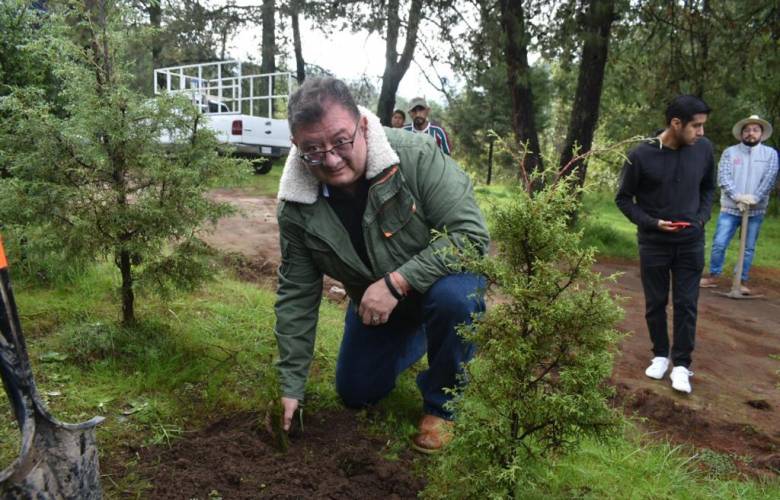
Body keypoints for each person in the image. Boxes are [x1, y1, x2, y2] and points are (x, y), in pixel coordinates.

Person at [273, 77, 489, 453]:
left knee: (456, 300)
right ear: (296, 145)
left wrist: (396, 283)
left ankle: (443, 407)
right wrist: (291, 386)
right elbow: (297, 294)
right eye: (313, 149)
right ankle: (422, 336)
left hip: (437, 284)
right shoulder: (295, 207)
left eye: (342, 141)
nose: (332, 159)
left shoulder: (416, 155)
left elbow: (471, 237)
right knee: (356, 392)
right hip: (375, 307)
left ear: (364, 125)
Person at [615, 95, 716, 394]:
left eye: (702, 126)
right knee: (656, 302)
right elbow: (623, 199)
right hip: (654, 243)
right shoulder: (641, 155)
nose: (701, 133)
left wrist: (700, 219)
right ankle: (660, 355)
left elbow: (709, 187)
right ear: (676, 123)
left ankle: (682, 365)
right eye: (695, 126)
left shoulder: (704, 149)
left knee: (686, 303)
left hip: (691, 242)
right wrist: (651, 222)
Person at [699, 115, 778, 293]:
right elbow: (724, 177)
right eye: (747, 130)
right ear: (741, 133)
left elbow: (769, 179)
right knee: (719, 243)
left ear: (761, 133)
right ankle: (714, 275)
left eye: (755, 130)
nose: (751, 133)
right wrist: (738, 197)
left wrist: (754, 198)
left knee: (748, 247)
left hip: (756, 210)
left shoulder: (770, 154)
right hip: (731, 208)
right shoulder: (730, 152)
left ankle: (740, 280)